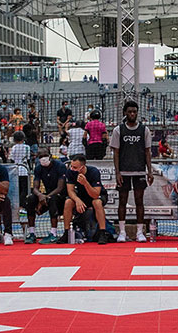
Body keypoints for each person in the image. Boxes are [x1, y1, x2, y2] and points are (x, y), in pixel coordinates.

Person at [110, 100, 153, 242]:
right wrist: (117, 172)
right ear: (125, 113)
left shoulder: (144, 130)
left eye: (134, 111)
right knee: (122, 201)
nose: (132, 114)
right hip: (124, 171)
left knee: (139, 201)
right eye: (130, 111)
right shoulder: (118, 130)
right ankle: (122, 232)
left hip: (140, 170)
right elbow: (116, 152)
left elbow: (148, 151)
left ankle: (140, 232)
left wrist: (150, 171)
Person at [63, 153, 111, 244]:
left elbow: (96, 194)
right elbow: (70, 191)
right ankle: (66, 232)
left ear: (82, 167)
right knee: (68, 202)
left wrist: (85, 183)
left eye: (75, 167)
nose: (72, 169)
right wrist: (77, 200)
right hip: (81, 196)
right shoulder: (70, 172)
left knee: (97, 202)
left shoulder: (93, 172)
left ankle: (102, 232)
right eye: (72, 166)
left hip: (96, 195)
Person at [23, 145, 68, 243]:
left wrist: (45, 197)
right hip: (46, 195)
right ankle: (31, 233)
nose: (43, 158)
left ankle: (53, 234)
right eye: (40, 156)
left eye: (45, 155)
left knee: (52, 199)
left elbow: (60, 187)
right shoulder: (38, 168)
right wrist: (40, 196)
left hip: (61, 196)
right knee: (30, 199)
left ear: (50, 156)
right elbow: (35, 187)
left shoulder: (60, 166)